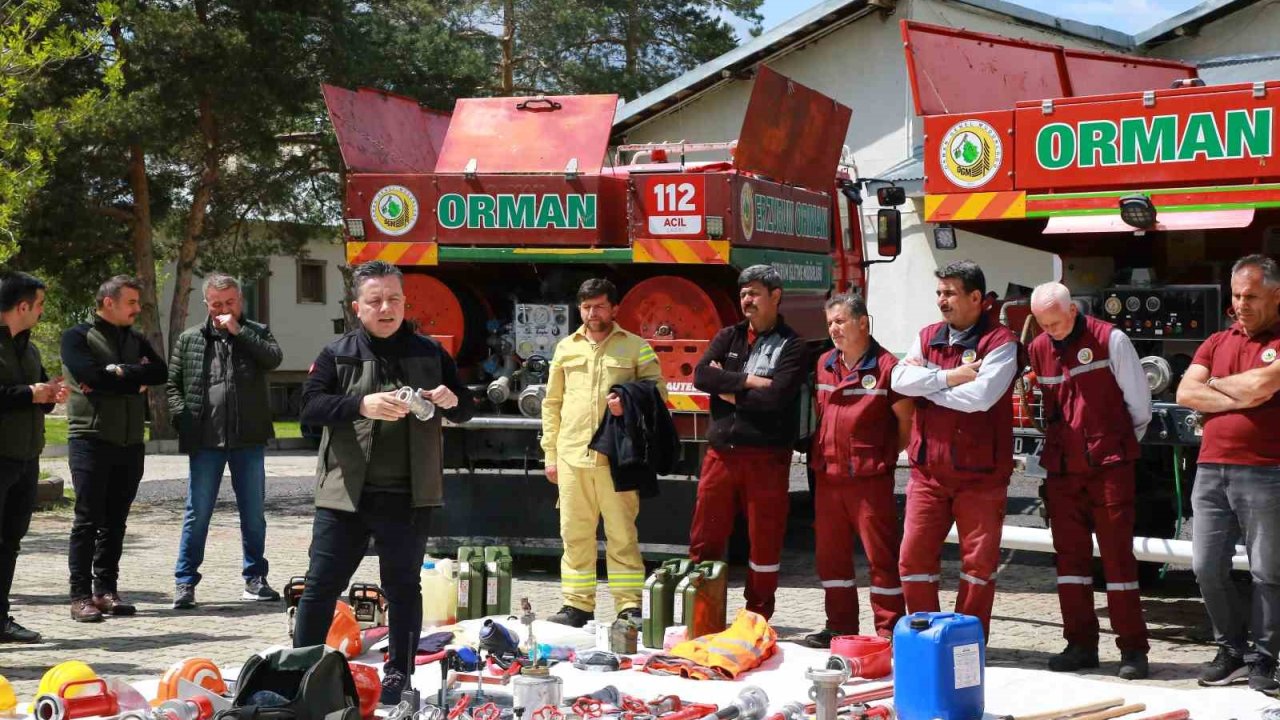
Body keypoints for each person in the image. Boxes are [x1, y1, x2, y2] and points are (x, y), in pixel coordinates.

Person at [294, 260, 473, 704]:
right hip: (346, 496)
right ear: (358, 307)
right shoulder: (338, 353)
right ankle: (300, 670)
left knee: (403, 587)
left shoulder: (431, 353)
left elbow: (464, 406)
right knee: (320, 586)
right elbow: (309, 408)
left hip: (409, 495)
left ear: (405, 302)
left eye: (393, 299)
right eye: (375, 300)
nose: (386, 307)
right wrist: (361, 404)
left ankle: (399, 675)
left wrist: (452, 400)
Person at [1027, 282, 1151, 680]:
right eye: (1044, 325)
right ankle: (1080, 643)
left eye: (1057, 322)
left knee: (1117, 560)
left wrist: (1114, 445)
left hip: (1108, 465)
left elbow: (1139, 406)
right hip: (1064, 469)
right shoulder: (1039, 348)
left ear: (1073, 311)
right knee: (1070, 563)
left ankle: (1133, 649)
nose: (1052, 331)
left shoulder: (1110, 339)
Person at [890, 260, 1017, 640]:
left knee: (978, 567)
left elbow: (978, 398)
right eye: (939, 293)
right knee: (912, 560)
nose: (941, 301)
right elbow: (898, 379)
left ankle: (967, 643)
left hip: (981, 476)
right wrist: (948, 377)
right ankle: (926, 638)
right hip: (928, 473)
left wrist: (926, 384)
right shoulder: (928, 335)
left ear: (976, 297)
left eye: (950, 293)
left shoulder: (1002, 342)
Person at [1176, 254, 1280, 695]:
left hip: (1266, 471)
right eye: (1237, 295)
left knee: (1268, 572)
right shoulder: (1216, 340)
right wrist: (1242, 390)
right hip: (1210, 469)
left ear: (1276, 295)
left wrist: (1216, 387)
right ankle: (1232, 650)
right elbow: (1185, 392)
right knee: (1206, 567)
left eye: (1251, 296)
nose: (1241, 304)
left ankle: (1267, 658)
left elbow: (1263, 385)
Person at [541, 278, 666, 627]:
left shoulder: (636, 347)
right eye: (585, 307)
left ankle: (628, 607)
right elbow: (551, 403)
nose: (592, 313)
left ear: (614, 308)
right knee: (574, 535)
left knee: (622, 535)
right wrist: (550, 454)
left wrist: (628, 402)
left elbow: (658, 392)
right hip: (571, 457)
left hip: (617, 459)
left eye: (598, 306)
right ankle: (576, 606)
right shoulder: (566, 348)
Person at [689, 264, 808, 619]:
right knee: (705, 537)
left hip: (766, 458)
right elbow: (701, 375)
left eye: (755, 293)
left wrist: (729, 389)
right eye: (743, 294)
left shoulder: (794, 345)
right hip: (721, 456)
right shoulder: (729, 336)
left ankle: (757, 616)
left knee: (764, 541)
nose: (747, 300)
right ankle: (703, 613)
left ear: (775, 296)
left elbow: (776, 399)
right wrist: (749, 382)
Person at [167, 273, 284, 609]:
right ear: (206, 304)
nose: (223, 310)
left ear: (240, 301)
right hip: (205, 441)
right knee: (197, 513)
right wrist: (182, 417)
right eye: (216, 304)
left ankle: (255, 578)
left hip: (248, 439)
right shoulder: (190, 339)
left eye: (229, 303)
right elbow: (173, 385)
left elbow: (273, 359)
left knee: (253, 513)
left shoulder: (256, 332)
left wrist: (240, 331)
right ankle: (185, 582)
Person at [803, 293, 911, 647]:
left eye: (840, 321)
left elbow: (906, 425)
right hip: (828, 477)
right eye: (830, 322)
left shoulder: (887, 367)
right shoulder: (823, 364)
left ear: (863, 323)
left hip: (868, 481)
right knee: (831, 559)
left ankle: (888, 631)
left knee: (881, 559)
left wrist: (880, 456)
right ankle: (839, 627)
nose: (833, 328)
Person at [61, 275, 168, 622]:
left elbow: (161, 373)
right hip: (90, 439)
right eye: (132, 303)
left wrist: (122, 372)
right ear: (109, 302)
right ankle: (80, 597)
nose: (138, 309)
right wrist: (132, 380)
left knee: (116, 521)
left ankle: (105, 590)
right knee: (88, 520)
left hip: (130, 442)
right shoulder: (77, 337)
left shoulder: (135, 339)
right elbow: (89, 377)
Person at [0, 272, 67, 642]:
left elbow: (33, 395)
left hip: (25, 458)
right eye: (39, 304)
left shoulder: (30, 347)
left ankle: (1, 619)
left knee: (10, 541)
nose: (42, 311)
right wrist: (29, 393)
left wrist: (50, 394)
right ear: (22, 306)